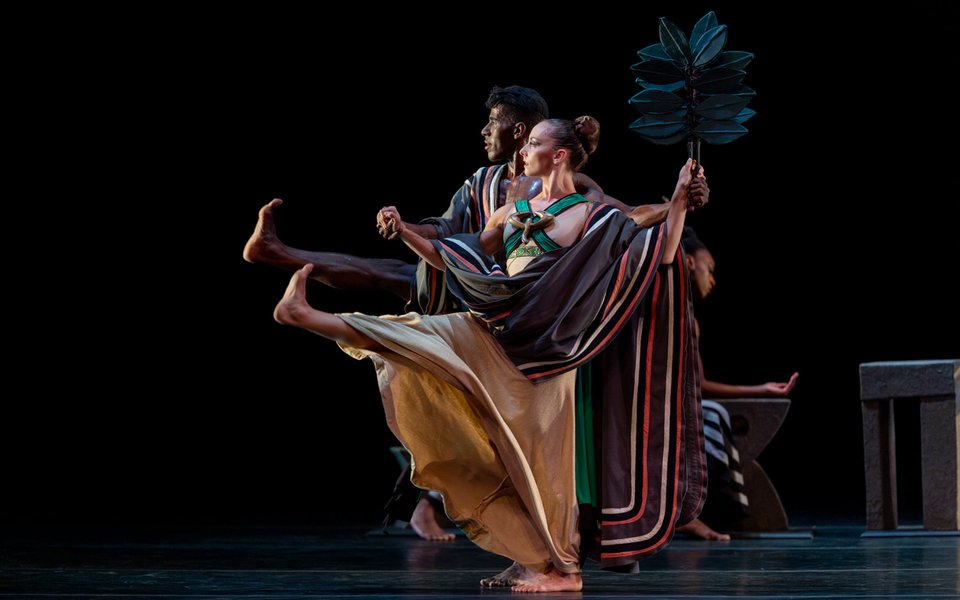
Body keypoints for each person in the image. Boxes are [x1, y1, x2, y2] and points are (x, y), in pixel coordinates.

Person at [245, 85, 707, 541]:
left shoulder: (582, 200)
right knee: (408, 309)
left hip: (542, 325)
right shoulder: (488, 189)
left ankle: (550, 549)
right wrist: (403, 228)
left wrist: (681, 199)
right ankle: (292, 281)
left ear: (533, 139)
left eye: (497, 123)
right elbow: (449, 239)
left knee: (522, 445)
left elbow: (632, 220)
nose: (486, 131)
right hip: (482, 299)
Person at [679, 226, 799, 537]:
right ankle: (688, 512)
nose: (712, 279)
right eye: (709, 269)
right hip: (653, 405)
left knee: (712, 413)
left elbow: (699, 384)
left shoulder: (691, 321)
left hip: (678, 404)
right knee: (712, 416)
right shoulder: (669, 311)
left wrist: (763, 389)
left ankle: (701, 509)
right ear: (689, 263)